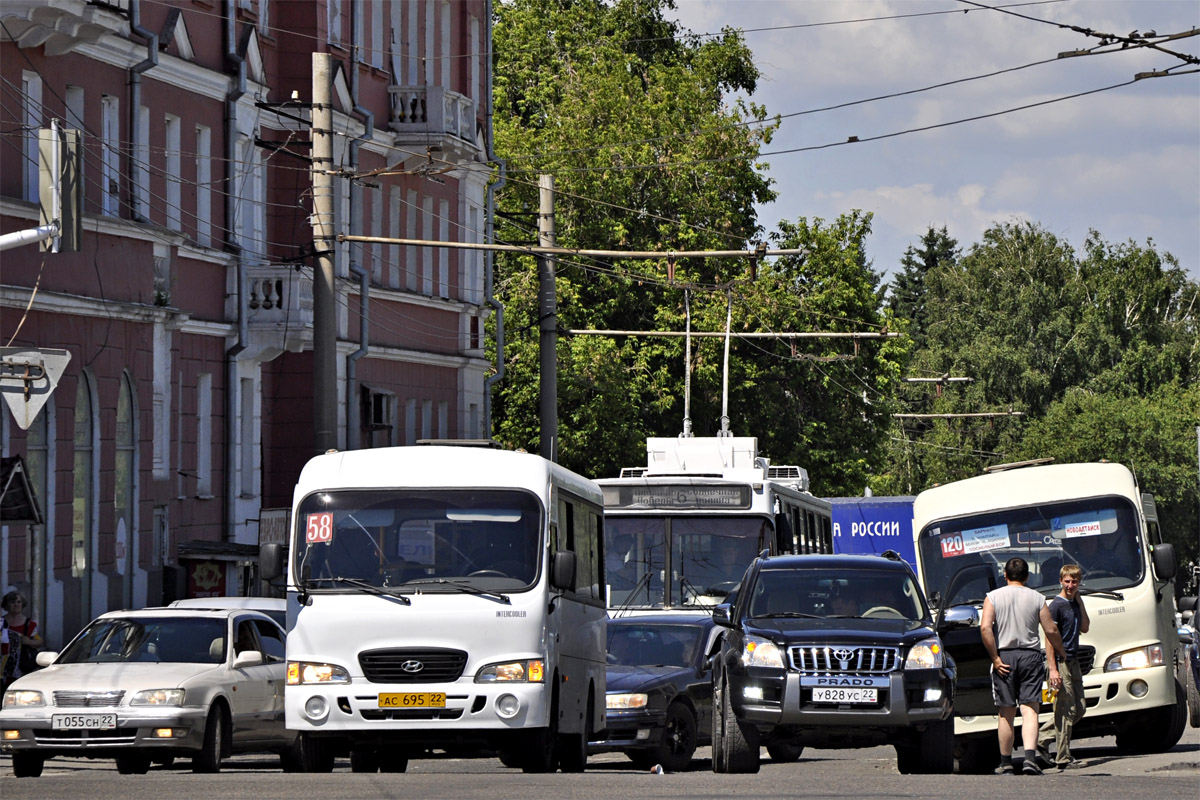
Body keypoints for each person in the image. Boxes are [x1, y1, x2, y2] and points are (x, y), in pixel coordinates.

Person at [980, 557, 1063, 776]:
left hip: (1005, 656)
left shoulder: (993, 597)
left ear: (1005, 575)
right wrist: (1061, 651)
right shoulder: (1037, 598)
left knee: (1006, 712)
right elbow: (1051, 629)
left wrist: (995, 658)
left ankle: (1006, 762)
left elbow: (985, 628)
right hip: (1030, 656)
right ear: (1027, 577)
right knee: (1030, 710)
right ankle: (1029, 759)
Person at [1037, 564, 1090, 770]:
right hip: (1061, 661)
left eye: (1074, 582)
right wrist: (1053, 669)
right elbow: (1050, 638)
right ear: (1061, 581)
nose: (1070, 585)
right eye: (1067, 581)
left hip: (1074, 661)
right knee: (1066, 710)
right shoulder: (1056, 606)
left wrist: (1080, 602)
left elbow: (1085, 627)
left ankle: (1041, 738)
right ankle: (1063, 757)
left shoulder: (1074, 603)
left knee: (1080, 708)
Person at [1, 591, 43, 691]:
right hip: (2, 671)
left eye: (19, 602)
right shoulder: (1, 622)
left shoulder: (30, 624)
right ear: (6, 605)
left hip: (21, 670)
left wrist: (28, 641)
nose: (16, 605)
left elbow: (40, 642)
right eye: (12, 602)